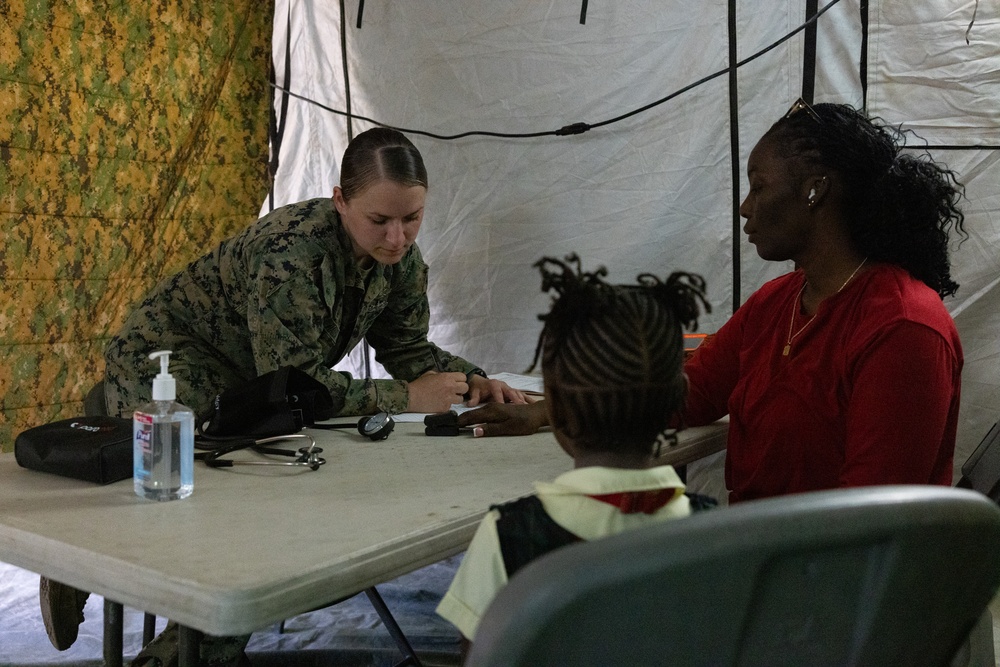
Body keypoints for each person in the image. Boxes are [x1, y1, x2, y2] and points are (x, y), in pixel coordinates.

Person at [40, 127, 526, 660]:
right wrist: (406, 398)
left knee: (265, 494)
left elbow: (408, 347)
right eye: (380, 220)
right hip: (173, 361)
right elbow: (294, 385)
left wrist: (472, 379)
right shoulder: (290, 252)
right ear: (341, 201)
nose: (397, 238)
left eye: (412, 219)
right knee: (231, 508)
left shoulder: (399, 261)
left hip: (251, 379)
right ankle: (134, 605)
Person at [457, 100, 966, 505]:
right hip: (773, 566)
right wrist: (551, 410)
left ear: (815, 191)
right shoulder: (779, 302)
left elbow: (872, 519)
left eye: (759, 186)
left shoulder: (903, 328)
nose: (745, 207)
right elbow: (687, 395)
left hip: (837, 596)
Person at [437, 254, 713, 657]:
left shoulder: (507, 536)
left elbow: (479, 657)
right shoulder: (716, 529)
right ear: (676, 402)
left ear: (555, 410)